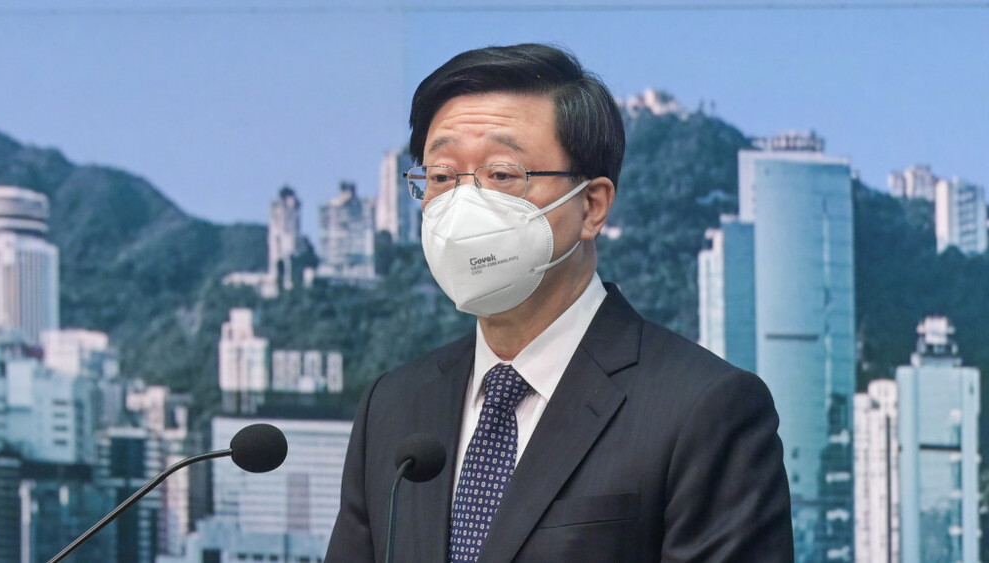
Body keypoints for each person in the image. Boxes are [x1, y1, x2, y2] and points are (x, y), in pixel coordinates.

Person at [326, 43, 793, 562]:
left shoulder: (704, 409)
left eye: (502, 175)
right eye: (441, 178)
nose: (463, 205)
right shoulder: (393, 406)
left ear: (592, 206)